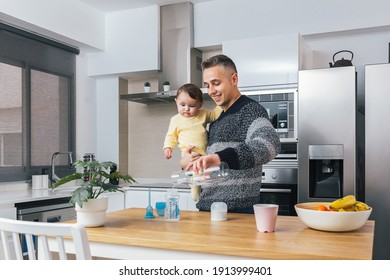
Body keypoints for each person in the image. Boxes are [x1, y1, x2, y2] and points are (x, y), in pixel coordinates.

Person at [181, 54, 281, 213]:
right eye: (207, 85)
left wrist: (219, 158)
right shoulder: (216, 120)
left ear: (234, 79)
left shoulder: (250, 110)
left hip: (237, 211)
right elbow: (207, 168)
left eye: (216, 83)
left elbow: (269, 145)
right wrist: (187, 163)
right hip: (207, 208)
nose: (211, 91)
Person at [163, 83, 222, 201]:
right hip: (188, 152)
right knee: (195, 171)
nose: (186, 109)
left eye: (192, 105)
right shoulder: (175, 120)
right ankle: (195, 188)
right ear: (176, 102)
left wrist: (221, 103)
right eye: (182, 104)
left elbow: (215, 115)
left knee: (203, 172)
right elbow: (170, 136)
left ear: (200, 104)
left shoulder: (204, 114)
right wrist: (168, 147)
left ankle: (196, 184)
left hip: (204, 153)